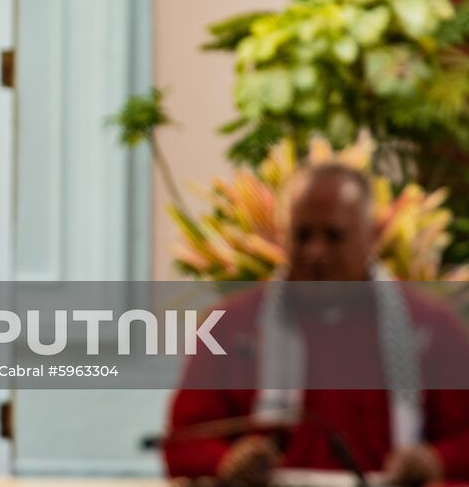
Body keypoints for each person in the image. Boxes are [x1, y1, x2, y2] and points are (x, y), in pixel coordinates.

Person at [164, 163, 469, 486]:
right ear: (283, 236)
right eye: (303, 235)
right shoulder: (230, 326)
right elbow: (182, 442)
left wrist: (434, 461)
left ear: (371, 236)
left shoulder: (431, 326)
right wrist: (226, 461)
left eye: (333, 236)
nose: (315, 251)